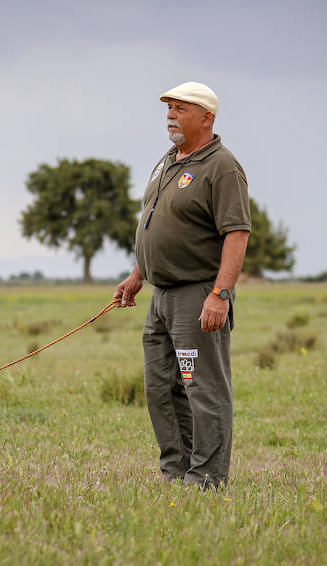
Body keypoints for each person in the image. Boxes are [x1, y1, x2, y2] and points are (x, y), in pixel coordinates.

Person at [113, 81, 250, 489]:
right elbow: (156, 221)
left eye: (181, 109)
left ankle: (207, 477)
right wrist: (139, 274)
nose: (171, 115)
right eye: (169, 108)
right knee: (161, 387)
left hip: (198, 293)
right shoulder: (169, 160)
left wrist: (219, 294)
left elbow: (237, 234)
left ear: (206, 118)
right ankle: (177, 473)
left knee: (202, 388)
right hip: (160, 295)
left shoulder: (222, 166)